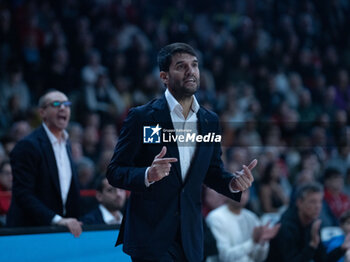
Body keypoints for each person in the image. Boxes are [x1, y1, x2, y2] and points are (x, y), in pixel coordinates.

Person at [106, 43, 257, 262]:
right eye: (181, 66)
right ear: (164, 76)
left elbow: (212, 171)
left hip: (190, 235)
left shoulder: (209, 121)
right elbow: (114, 171)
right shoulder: (142, 117)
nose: (190, 71)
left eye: (194, 65)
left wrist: (233, 184)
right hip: (151, 235)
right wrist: (148, 174)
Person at [7, 90, 82, 237]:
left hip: (59, 233)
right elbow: (23, 194)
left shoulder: (67, 145)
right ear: (42, 112)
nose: (63, 108)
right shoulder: (27, 146)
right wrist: (57, 220)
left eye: (66, 104)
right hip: (29, 233)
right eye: (56, 104)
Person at [265, 182, 350, 262]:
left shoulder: (313, 224)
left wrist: (342, 248)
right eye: (312, 202)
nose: (318, 206)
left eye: (320, 201)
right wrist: (312, 246)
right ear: (299, 203)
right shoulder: (285, 227)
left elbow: (322, 259)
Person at [206, 189, 280, 262]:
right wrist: (253, 242)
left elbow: (259, 258)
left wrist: (263, 242)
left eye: (244, 191)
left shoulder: (251, 217)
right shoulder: (216, 217)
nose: (241, 195)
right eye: (236, 191)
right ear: (226, 194)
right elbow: (225, 256)